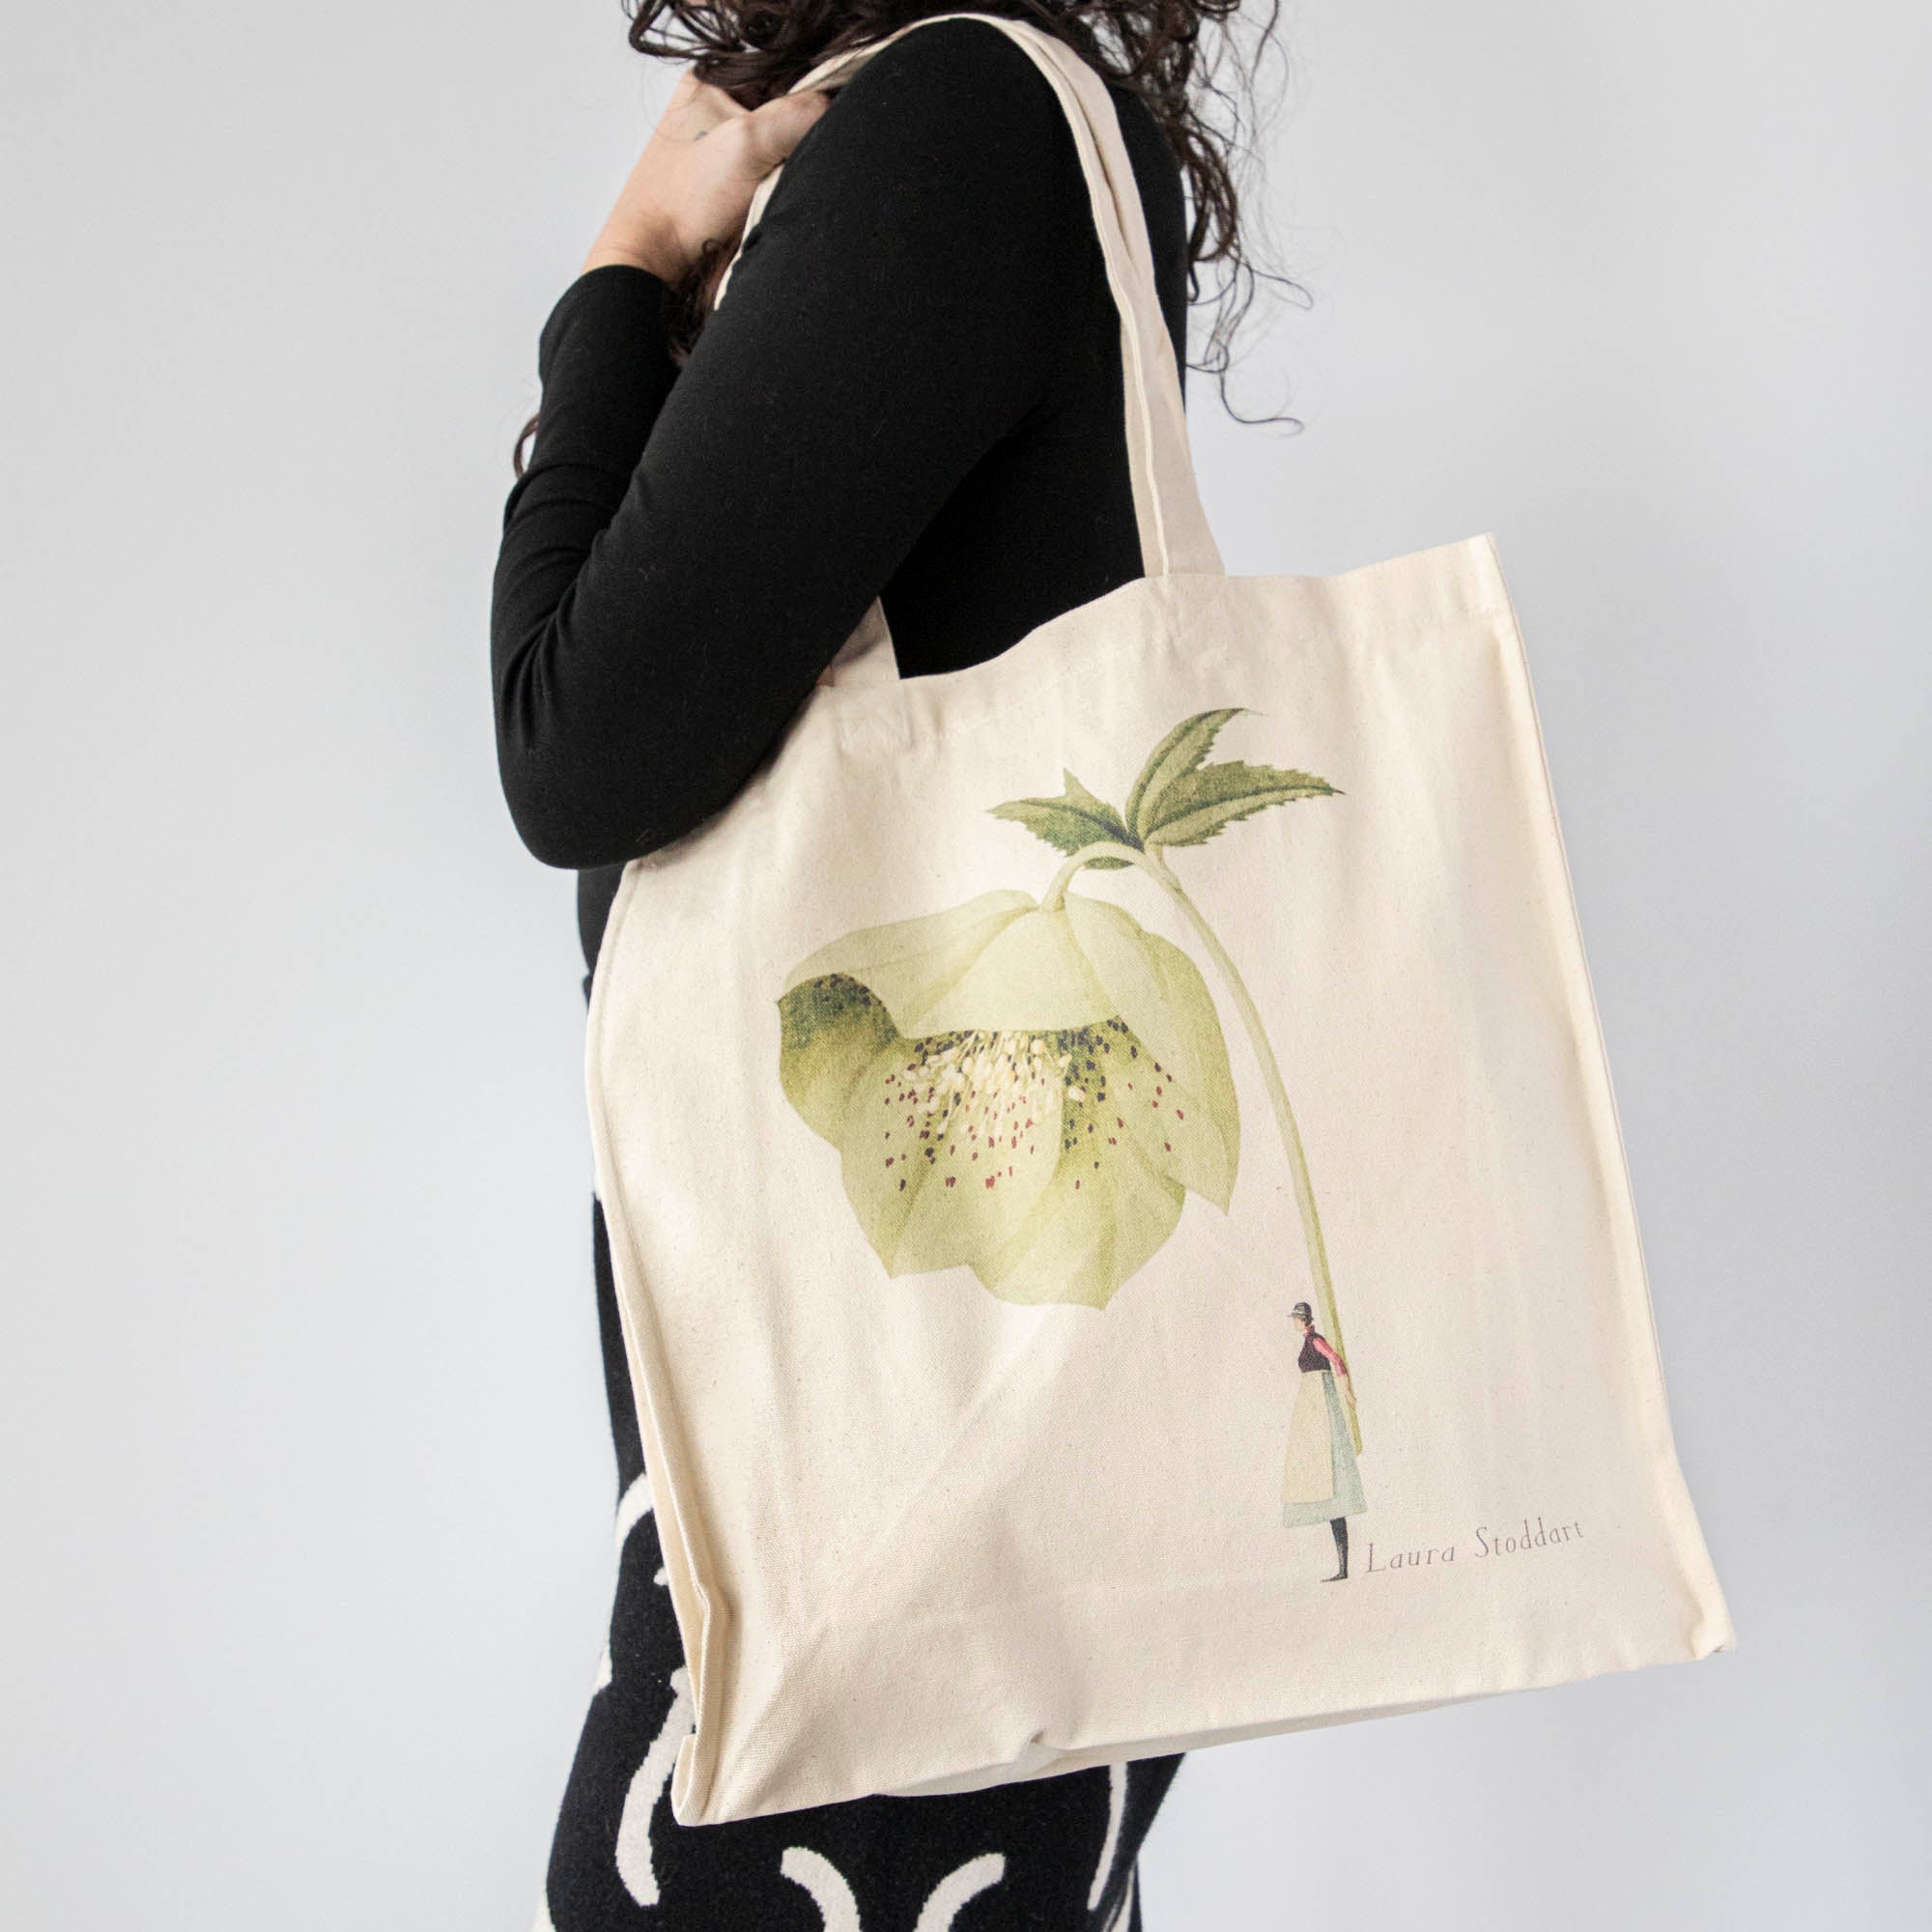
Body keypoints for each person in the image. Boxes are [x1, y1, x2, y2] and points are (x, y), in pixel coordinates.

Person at [490, 3, 1281, 1922]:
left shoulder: (958, 123)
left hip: (883, 1543)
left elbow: (577, 744)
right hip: (957, 1505)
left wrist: (623, 274)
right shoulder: (1000, 122)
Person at [1280, 1301, 1364, 1578]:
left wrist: (1347, 1391)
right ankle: (1342, 1567)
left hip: (1321, 1401)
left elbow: (1336, 1361)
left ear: (1303, 1320)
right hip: (1312, 1403)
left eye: (1296, 1318)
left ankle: (1343, 1568)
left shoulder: (1315, 1340)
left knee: (1331, 1470)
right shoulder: (1307, 1340)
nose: (1294, 1322)